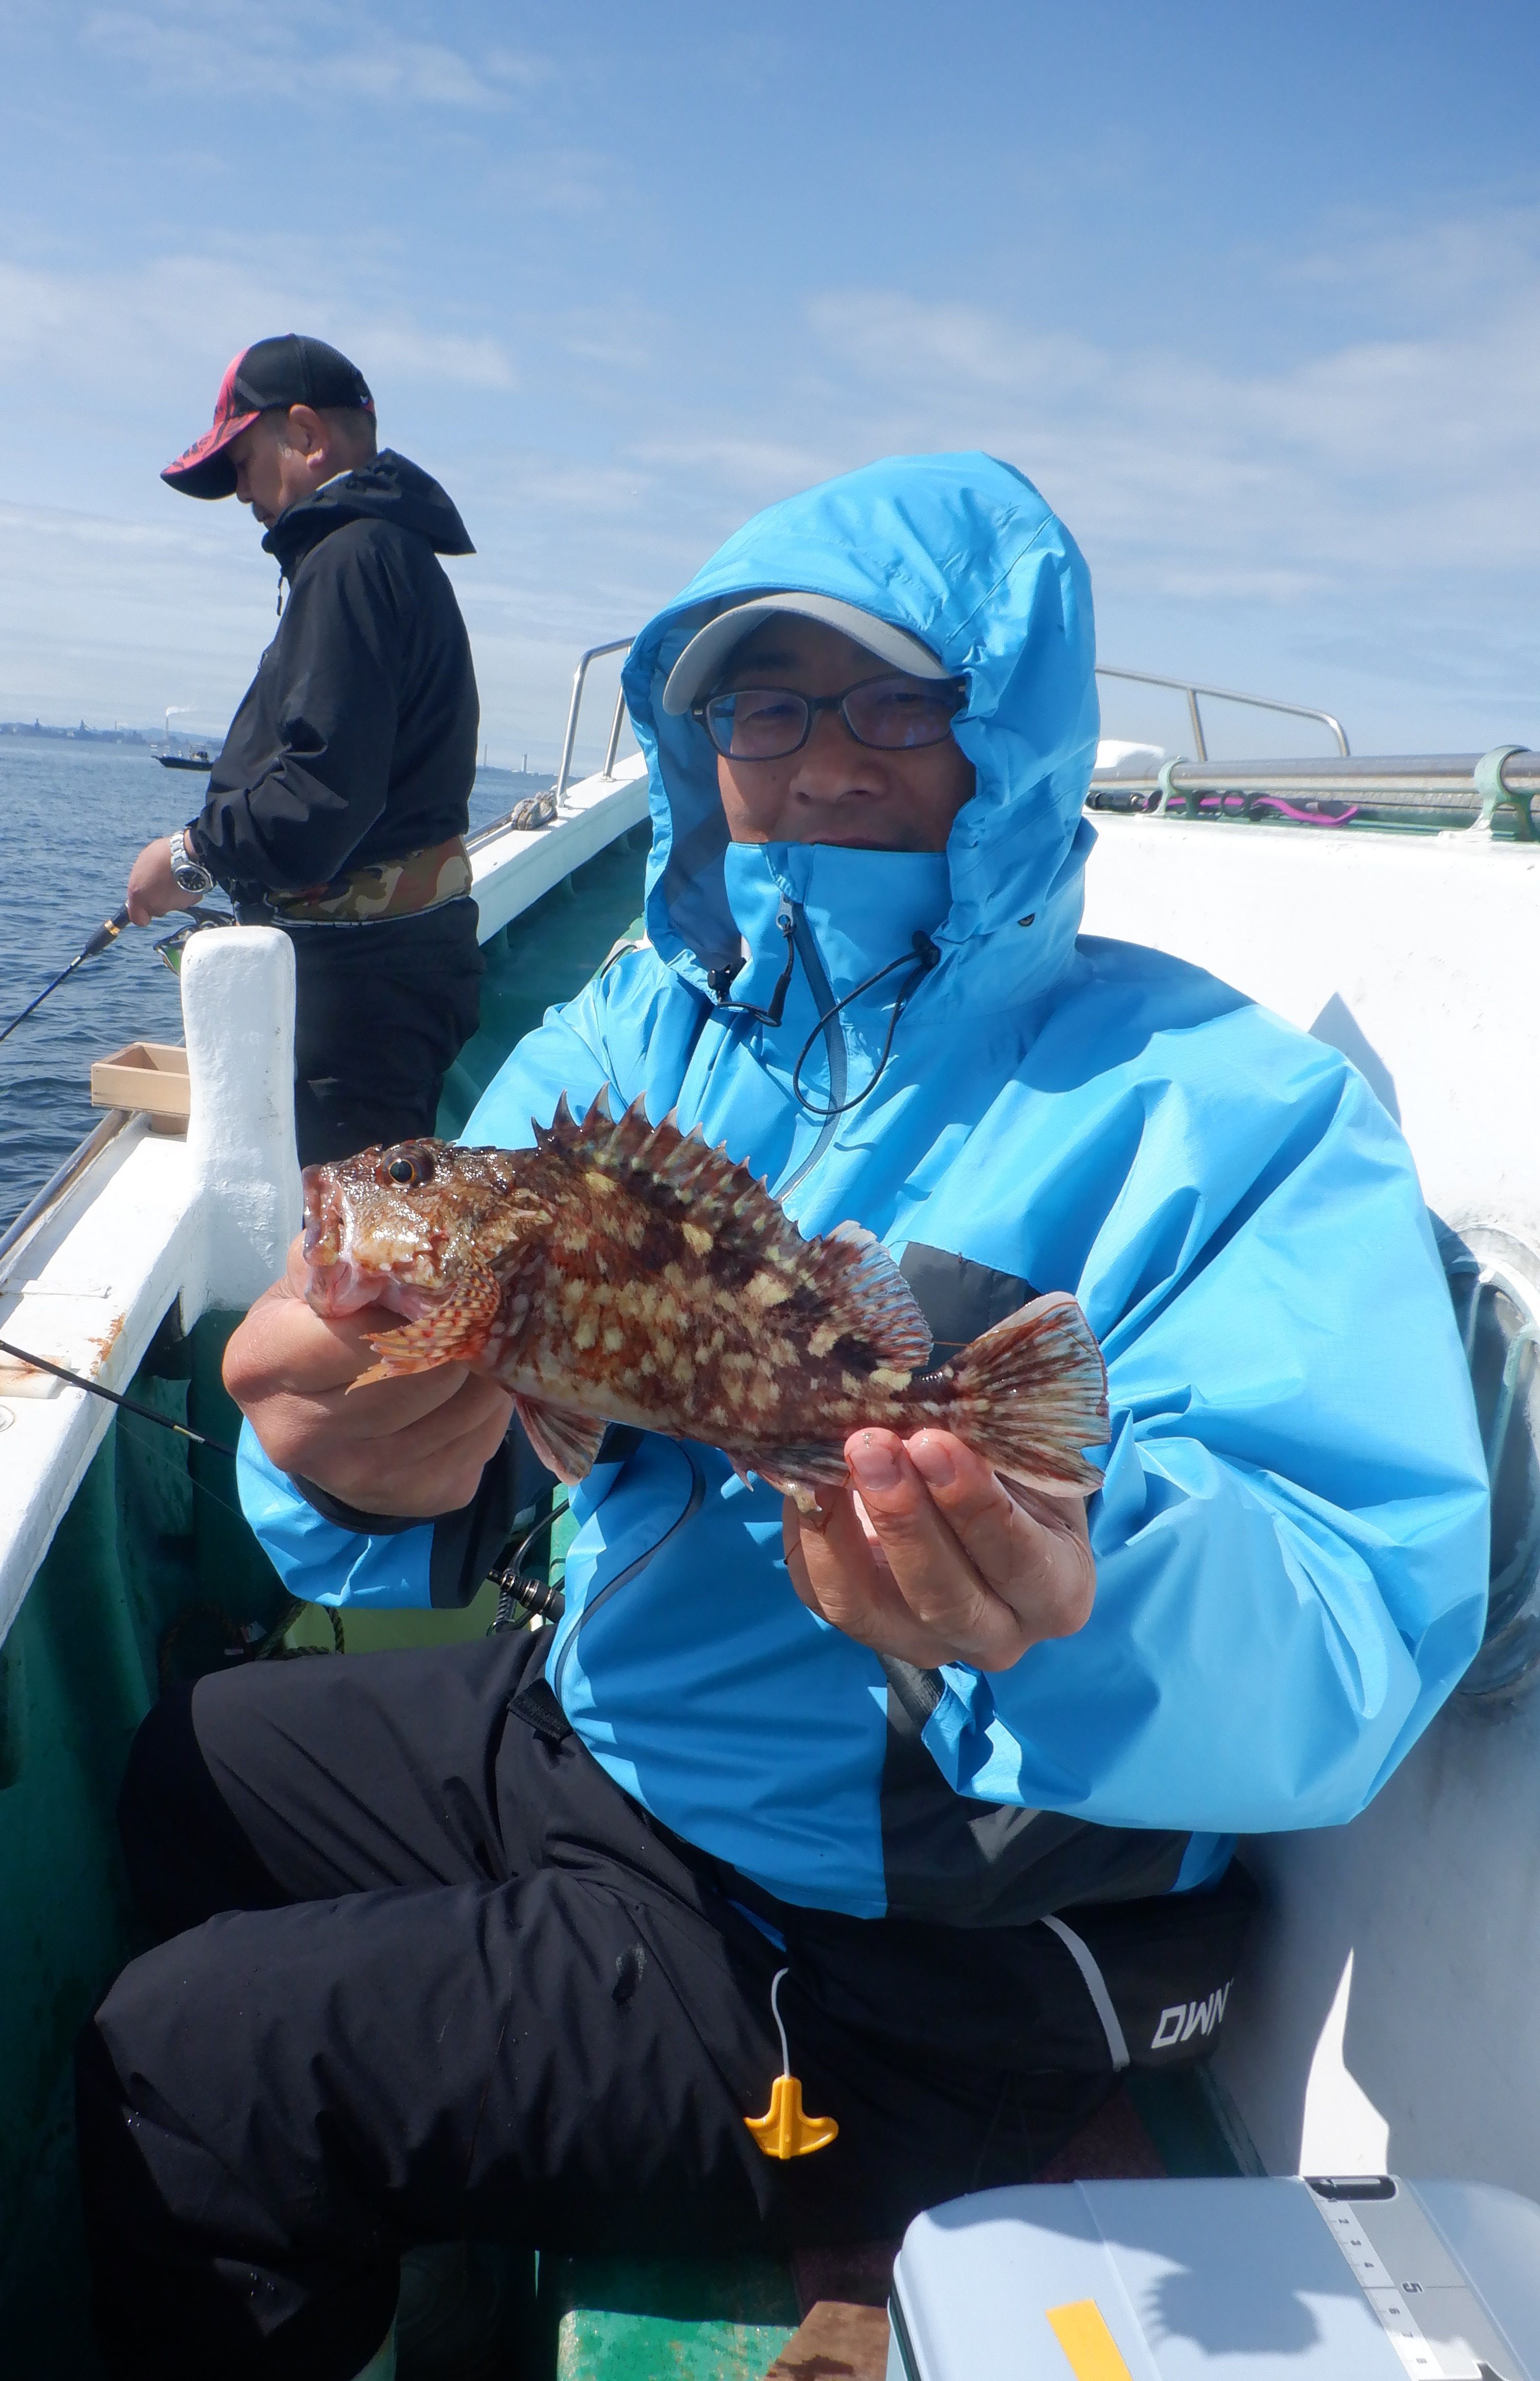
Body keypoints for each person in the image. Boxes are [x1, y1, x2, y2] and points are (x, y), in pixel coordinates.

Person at [77, 454, 1489, 2380]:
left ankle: (742, 2186)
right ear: (700, 748)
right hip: (617, 1736)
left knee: (189, 2064)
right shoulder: (640, 1027)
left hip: (897, 1963)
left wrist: (1072, 1595)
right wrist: (341, 1454)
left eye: (894, 704)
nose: (821, 763)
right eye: (762, 706)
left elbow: (1354, 1619)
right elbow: (478, 1425)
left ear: (1011, 728)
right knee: (191, 1765)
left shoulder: (1226, 1109)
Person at [125, 333, 485, 1165]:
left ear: (306, 435)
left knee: (350, 1230)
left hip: (361, 1001)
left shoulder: (349, 560)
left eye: (242, 462)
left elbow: (323, 794)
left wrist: (189, 858)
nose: (241, 492)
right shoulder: (383, 554)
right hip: (386, 982)